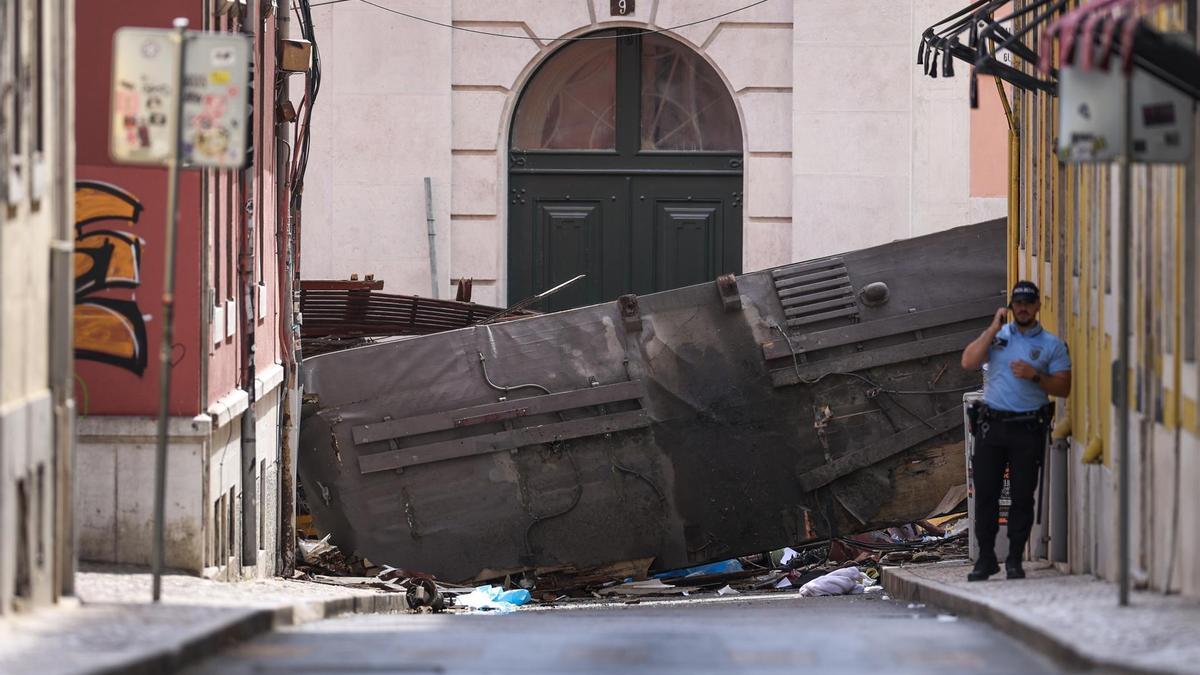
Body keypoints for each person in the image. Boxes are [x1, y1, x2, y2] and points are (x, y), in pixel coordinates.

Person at [960, 281, 1071, 581]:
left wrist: (1036, 376)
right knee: (986, 495)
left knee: (1022, 496)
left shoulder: (1051, 345)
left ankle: (1013, 558)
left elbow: (1064, 387)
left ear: (1037, 307)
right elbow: (968, 361)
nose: (1022, 308)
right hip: (991, 427)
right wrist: (992, 328)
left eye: (1028, 303)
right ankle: (985, 559)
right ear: (1010, 307)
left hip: (1026, 428)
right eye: (1017, 303)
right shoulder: (997, 339)